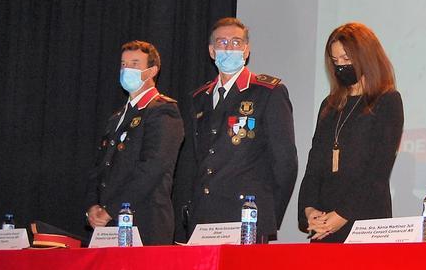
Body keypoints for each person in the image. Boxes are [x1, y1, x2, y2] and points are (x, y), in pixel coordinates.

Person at [173, 17, 298, 242]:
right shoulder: (199, 98)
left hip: (246, 216)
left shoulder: (267, 92)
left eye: (236, 43)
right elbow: (191, 162)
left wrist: (268, 215)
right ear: (212, 51)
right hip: (204, 217)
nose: (229, 48)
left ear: (246, 50)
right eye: (222, 43)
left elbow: (285, 163)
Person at [298, 23, 404, 242]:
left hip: (366, 222)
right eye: (335, 61)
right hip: (325, 222)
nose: (340, 67)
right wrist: (309, 210)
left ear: (366, 56)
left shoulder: (387, 101)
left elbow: (378, 171)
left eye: (347, 59)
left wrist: (342, 215)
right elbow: (314, 165)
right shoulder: (329, 105)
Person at [84, 40, 184, 245]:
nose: (126, 69)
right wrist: (92, 206)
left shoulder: (163, 111)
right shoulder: (117, 117)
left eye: (135, 64)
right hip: (107, 224)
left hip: (143, 222)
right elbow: (100, 168)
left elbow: (152, 168)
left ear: (152, 71)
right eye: (123, 64)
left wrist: (112, 209)